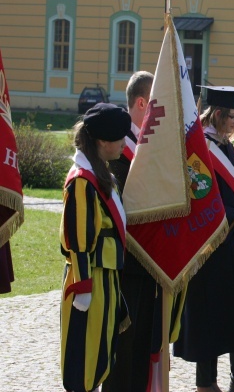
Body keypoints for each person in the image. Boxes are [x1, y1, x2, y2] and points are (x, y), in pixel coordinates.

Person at [174, 86, 234, 392]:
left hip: (230, 242)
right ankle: (205, 383)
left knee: (226, 314)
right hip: (208, 244)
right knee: (208, 316)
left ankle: (225, 379)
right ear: (219, 115)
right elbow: (202, 195)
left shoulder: (225, 145)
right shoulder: (201, 147)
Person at [60, 103, 131, 392]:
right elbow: (78, 239)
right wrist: (84, 285)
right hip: (91, 279)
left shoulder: (100, 174)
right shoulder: (81, 182)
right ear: (103, 142)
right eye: (120, 138)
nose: (124, 143)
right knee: (86, 357)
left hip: (107, 276)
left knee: (102, 352)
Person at [102, 71, 158, 392]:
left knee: (141, 345)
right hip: (128, 263)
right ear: (141, 102)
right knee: (123, 348)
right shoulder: (119, 150)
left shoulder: (141, 144)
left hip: (148, 262)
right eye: (155, 103)